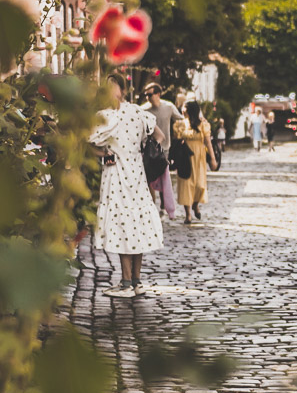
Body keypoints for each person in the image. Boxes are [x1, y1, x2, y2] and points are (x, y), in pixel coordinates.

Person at [90, 71, 164, 297]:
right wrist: (144, 151)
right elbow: (159, 136)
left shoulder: (104, 116)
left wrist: (104, 153)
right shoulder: (137, 112)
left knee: (125, 225)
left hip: (118, 175)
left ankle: (126, 283)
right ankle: (136, 282)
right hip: (136, 172)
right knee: (136, 223)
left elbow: (85, 142)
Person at [172, 99, 215, 223]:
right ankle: (188, 215)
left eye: (185, 108)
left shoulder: (203, 124)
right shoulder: (180, 124)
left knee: (199, 185)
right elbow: (176, 141)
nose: (182, 110)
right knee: (186, 184)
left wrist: (212, 158)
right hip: (185, 157)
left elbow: (208, 142)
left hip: (199, 157)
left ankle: (195, 205)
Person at [143, 82, 179, 221]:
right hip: (149, 149)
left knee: (164, 177)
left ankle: (165, 205)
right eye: (145, 95)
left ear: (158, 94)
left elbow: (180, 119)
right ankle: (152, 205)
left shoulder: (169, 107)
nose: (147, 97)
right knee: (150, 176)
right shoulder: (144, 110)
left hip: (165, 148)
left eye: (150, 94)